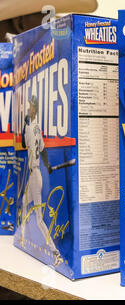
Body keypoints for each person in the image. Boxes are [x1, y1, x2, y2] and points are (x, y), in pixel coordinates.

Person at [20, 95, 63, 267]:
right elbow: (43, 150)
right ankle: (25, 238)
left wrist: (24, 126)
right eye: (30, 106)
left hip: (35, 176)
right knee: (23, 203)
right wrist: (49, 165)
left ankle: (55, 253)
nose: (30, 109)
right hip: (34, 174)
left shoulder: (32, 128)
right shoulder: (37, 127)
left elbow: (25, 143)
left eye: (32, 107)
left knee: (39, 219)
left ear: (35, 110)